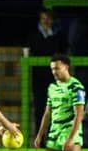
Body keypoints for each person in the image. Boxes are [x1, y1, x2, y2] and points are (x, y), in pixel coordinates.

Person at [27, 9, 67, 137]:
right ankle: (40, 137)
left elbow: (61, 52)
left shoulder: (58, 36)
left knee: (55, 108)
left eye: (48, 18)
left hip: (54, 78)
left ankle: (53, 136)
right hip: (39, 78)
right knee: (40, 108)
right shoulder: (33, 35)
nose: (46, 21)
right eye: (43, 18)